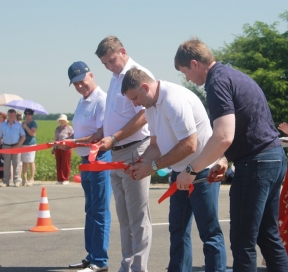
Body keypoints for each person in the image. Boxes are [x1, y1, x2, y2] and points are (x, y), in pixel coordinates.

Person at [174, 38, 288, 271]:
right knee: (268, 237)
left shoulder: (217, 82)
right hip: (274, 158)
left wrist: (190, 170)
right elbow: (246, 128)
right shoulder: (234, 75)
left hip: (255, 165)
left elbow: (223, 136)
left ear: (194, 64)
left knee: (242, 241)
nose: (187, 79)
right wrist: (225, 159)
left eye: (185, 72)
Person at [121, 67, 226, 272]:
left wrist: (152, 166)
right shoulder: (151, 107)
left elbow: (189, 145)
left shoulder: (172, 99)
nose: (135, 104)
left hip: (201, 171)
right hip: (180, 172)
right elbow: (155, 145)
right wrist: (140, 163)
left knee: (209, 233)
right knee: (178, 231)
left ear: (144, 87)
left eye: (134, 98)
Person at [95, 36, 154, 272]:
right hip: (116, 153)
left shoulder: (137, 74)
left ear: (123, 51)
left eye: (112, 60)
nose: (110, 66)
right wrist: (100, 134)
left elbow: (144, 115)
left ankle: (139, 268)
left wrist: (115, 137)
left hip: (133, 150)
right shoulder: (114, 78)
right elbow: (114, 115)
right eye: (105, 64)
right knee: (124, 216)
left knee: (138, 216)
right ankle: (126, 266)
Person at [65, 61, 112, 272]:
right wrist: (68, 141)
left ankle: (100, 261)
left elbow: (99, 135)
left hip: (100, 158)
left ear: (91, 75)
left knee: (100, 211)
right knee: (90, 209)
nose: (79, 86)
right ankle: (91, 256)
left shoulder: (101, 100)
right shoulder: (82, 101)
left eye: (82, 81)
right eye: (75, 84)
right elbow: (82, 131)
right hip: (87, 161)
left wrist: (73, 142)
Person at [0, 109, 25, 187]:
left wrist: (18, 145)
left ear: (15, 116)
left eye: (13, 115)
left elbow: (23, 136)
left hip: (16, 146)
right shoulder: (3, 125)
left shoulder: (18, 125)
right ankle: (6, 181)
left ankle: (17, 181)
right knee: (6, 164)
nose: (11, 117)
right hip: (6, 146)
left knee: (16, 164)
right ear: (7, 116)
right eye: (10, 115)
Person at [51, 114, 74, 185]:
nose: (62, 122)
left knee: (65, 164)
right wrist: (53, 148)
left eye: (63, 120)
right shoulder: (57, 129)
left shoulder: (69, 128)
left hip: (66, 148)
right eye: (60, 120)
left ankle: (65, 179)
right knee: (59, 163)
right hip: (58, 148)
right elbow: (56, 139)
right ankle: (60, 179)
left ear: (66, 121)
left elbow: (72, 138)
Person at [21, 108, 38, 186]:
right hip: (23, 143)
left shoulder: (33, 123)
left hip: (31, 144)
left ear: (31, 115)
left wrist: (26, 127)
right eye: (26, 114)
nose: (27, 115)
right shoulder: (23, 123)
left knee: (31, 161)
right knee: (24, 161)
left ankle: (31, 178)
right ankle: (24, 178)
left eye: (29, 114)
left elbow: (32, 133)